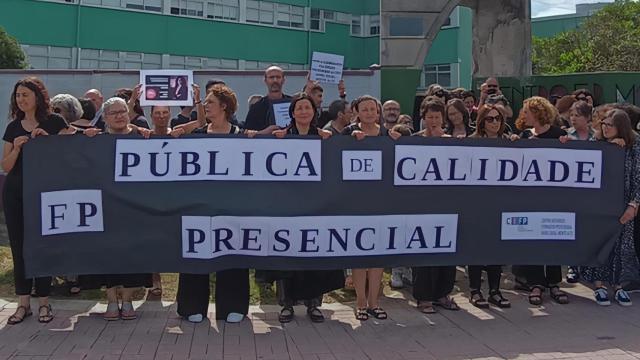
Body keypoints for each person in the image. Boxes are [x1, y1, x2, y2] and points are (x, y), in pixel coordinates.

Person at [176, 84, 251, 324]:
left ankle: (233, 306)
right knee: (196, 252)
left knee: (233, 254)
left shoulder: (241, 136)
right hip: (199, 207)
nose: (205, 106)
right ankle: (191, 306)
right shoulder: (196, 136)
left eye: (209, 102)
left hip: (232, 207)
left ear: (224, 107)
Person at [2, 77, 71, 324]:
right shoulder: (13, 127)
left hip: (46, 192)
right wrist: (18, 148)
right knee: (19, 247)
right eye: (18, 95)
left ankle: (44, 301)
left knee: (44, 245)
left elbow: (69, 154)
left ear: (38, 97)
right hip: (16, 192)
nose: (21, 99)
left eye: (25, 95)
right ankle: (23, 303)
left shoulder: (54, 121)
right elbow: (6, 166)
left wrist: (48, 141)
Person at [271, 94, 342, 323]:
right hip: (287, 207)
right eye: (299, 108)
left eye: (307, 108)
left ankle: (314, 304)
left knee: (314, 255)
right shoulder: (282, 137)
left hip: (315, 207)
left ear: (314, 112)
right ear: (292, 113)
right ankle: (286, 305)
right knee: (287, 256)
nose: (303, 111)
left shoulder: (324, 138)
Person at [83, 97, 153, 320]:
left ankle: (128, 300)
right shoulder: (96, 141)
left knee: (132, 254)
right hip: (104, 207)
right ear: (105, 117)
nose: (119, 115)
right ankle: (112, 300)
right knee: (107, 253)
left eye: (123, 111)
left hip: (133, 208)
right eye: (113, 113)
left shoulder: (141, 138)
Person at [341, 95, 398, 321]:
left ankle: (375, 302)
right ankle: (360, 303)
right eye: (364, 109)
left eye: (372, 109)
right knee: (359, 255)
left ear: (378, 112)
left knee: (377, 257)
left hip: (381, 202)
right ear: (357, 112)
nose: (368, 113)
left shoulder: (388, 135)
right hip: (355, 203)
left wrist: (398, 139)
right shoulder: (348, 133)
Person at [581, 109, 640, 306]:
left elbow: (638, 179)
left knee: (621, 246)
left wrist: (634, 204)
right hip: (599, 206)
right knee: (599, 244)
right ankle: (599, 285)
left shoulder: (635, 147)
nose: (605, 128)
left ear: (621, 127)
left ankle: (618, 285)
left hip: (624, 206)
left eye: (610, 125)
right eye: (603, 124)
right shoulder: (596, 144)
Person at [515, 96, 569, 306]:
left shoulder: (559, 135)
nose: (523, 115)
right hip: (530, 197)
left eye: (526, 111)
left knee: (552, 236)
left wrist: (568, 145)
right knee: (533, 238)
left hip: (554, 197)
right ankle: (535, 282)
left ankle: (554, 282)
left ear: (538, 112)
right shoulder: (524, 135)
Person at [411, 98, 459, 314]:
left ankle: (443, 293)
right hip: (421, 205)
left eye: (437, 117)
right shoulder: (413, 141)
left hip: (446, 204)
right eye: (429, 117)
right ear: (423, 118)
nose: (433, 121)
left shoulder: (452, 142)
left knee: (446, 251)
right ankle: (424, 297)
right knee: (423, 252)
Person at [465, 104, 511, 309]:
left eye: (498, 119)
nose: (494, 122)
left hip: (500, 204)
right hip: (476, 204)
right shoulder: (471, 143)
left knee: (496, 248)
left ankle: (495, 290)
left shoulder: (509, 143)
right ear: (481, 121)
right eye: (490, 119)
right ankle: (474, 290)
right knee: (475, 246)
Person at [244, 66, 292, 131]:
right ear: (265, 80)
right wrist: (266, 132)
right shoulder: (256, 108)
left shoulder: (293, 104)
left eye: (278, 77)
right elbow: (247, 134)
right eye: (271, 77)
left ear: (283, 80)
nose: (275, 80)